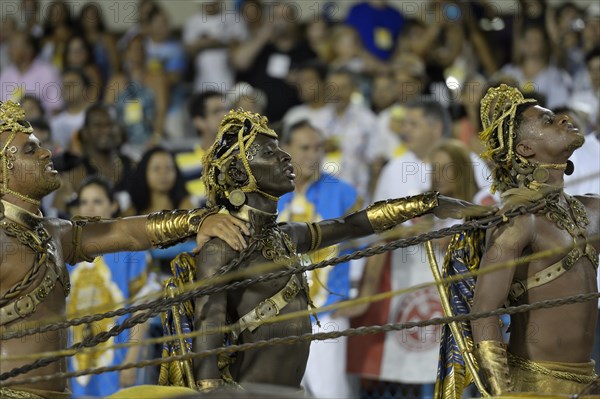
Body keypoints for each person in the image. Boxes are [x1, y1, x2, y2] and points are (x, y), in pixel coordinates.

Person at [159, 109, 490, 392]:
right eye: (270, 153)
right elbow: (206, 345)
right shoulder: (223, 249)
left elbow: (353, 225)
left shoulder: (285, 236)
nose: (286, 157)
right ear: (237, 173)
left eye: (281, 150)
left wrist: (428, 203)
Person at [0, 99, 251, 398]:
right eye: (30, 150)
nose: (45, 153)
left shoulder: (54, 231)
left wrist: (197, 221)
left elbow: (123, 232)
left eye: (41, 145)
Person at [470, 84, 599, 395]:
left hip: (589, 384)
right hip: (534, 387)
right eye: (548, 120)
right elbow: (484, 311)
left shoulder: (593, 209)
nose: (563, 119)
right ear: (525, 149)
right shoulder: (519, 222)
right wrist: (502, 391)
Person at [278, 120, 361, 398]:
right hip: (276, 317)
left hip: (327, 314)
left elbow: (373, 246)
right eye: (304, 148)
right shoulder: (270, 194)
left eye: (318, 148)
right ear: (285, 149)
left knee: (330, 394)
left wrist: (362, 294)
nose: (313, 155)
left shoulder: (344, 194)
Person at [67, 176, 150, 397]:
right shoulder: (67, 255)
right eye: (84, 202)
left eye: (97, 201)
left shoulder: (132, 251)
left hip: (118, 361)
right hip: (74, 365)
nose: (90, 208)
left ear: (113, 206)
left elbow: (143, 308)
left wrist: (132, 360)